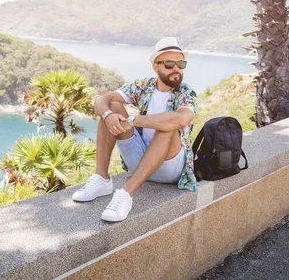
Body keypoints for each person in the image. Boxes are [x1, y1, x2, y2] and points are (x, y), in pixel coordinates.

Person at [72, 37, 198, 222]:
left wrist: (134, 121)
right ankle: (101, 179)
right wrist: (108, 116)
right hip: (140, 161)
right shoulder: (143, 86)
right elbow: (101, 100)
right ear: (156, 66)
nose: (176, 69)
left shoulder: (186, 93)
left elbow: (181, 119)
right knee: (113, 107)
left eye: (181, 64)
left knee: (168, 126)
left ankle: (125, 193)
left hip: (170, 168)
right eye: (169, 64)